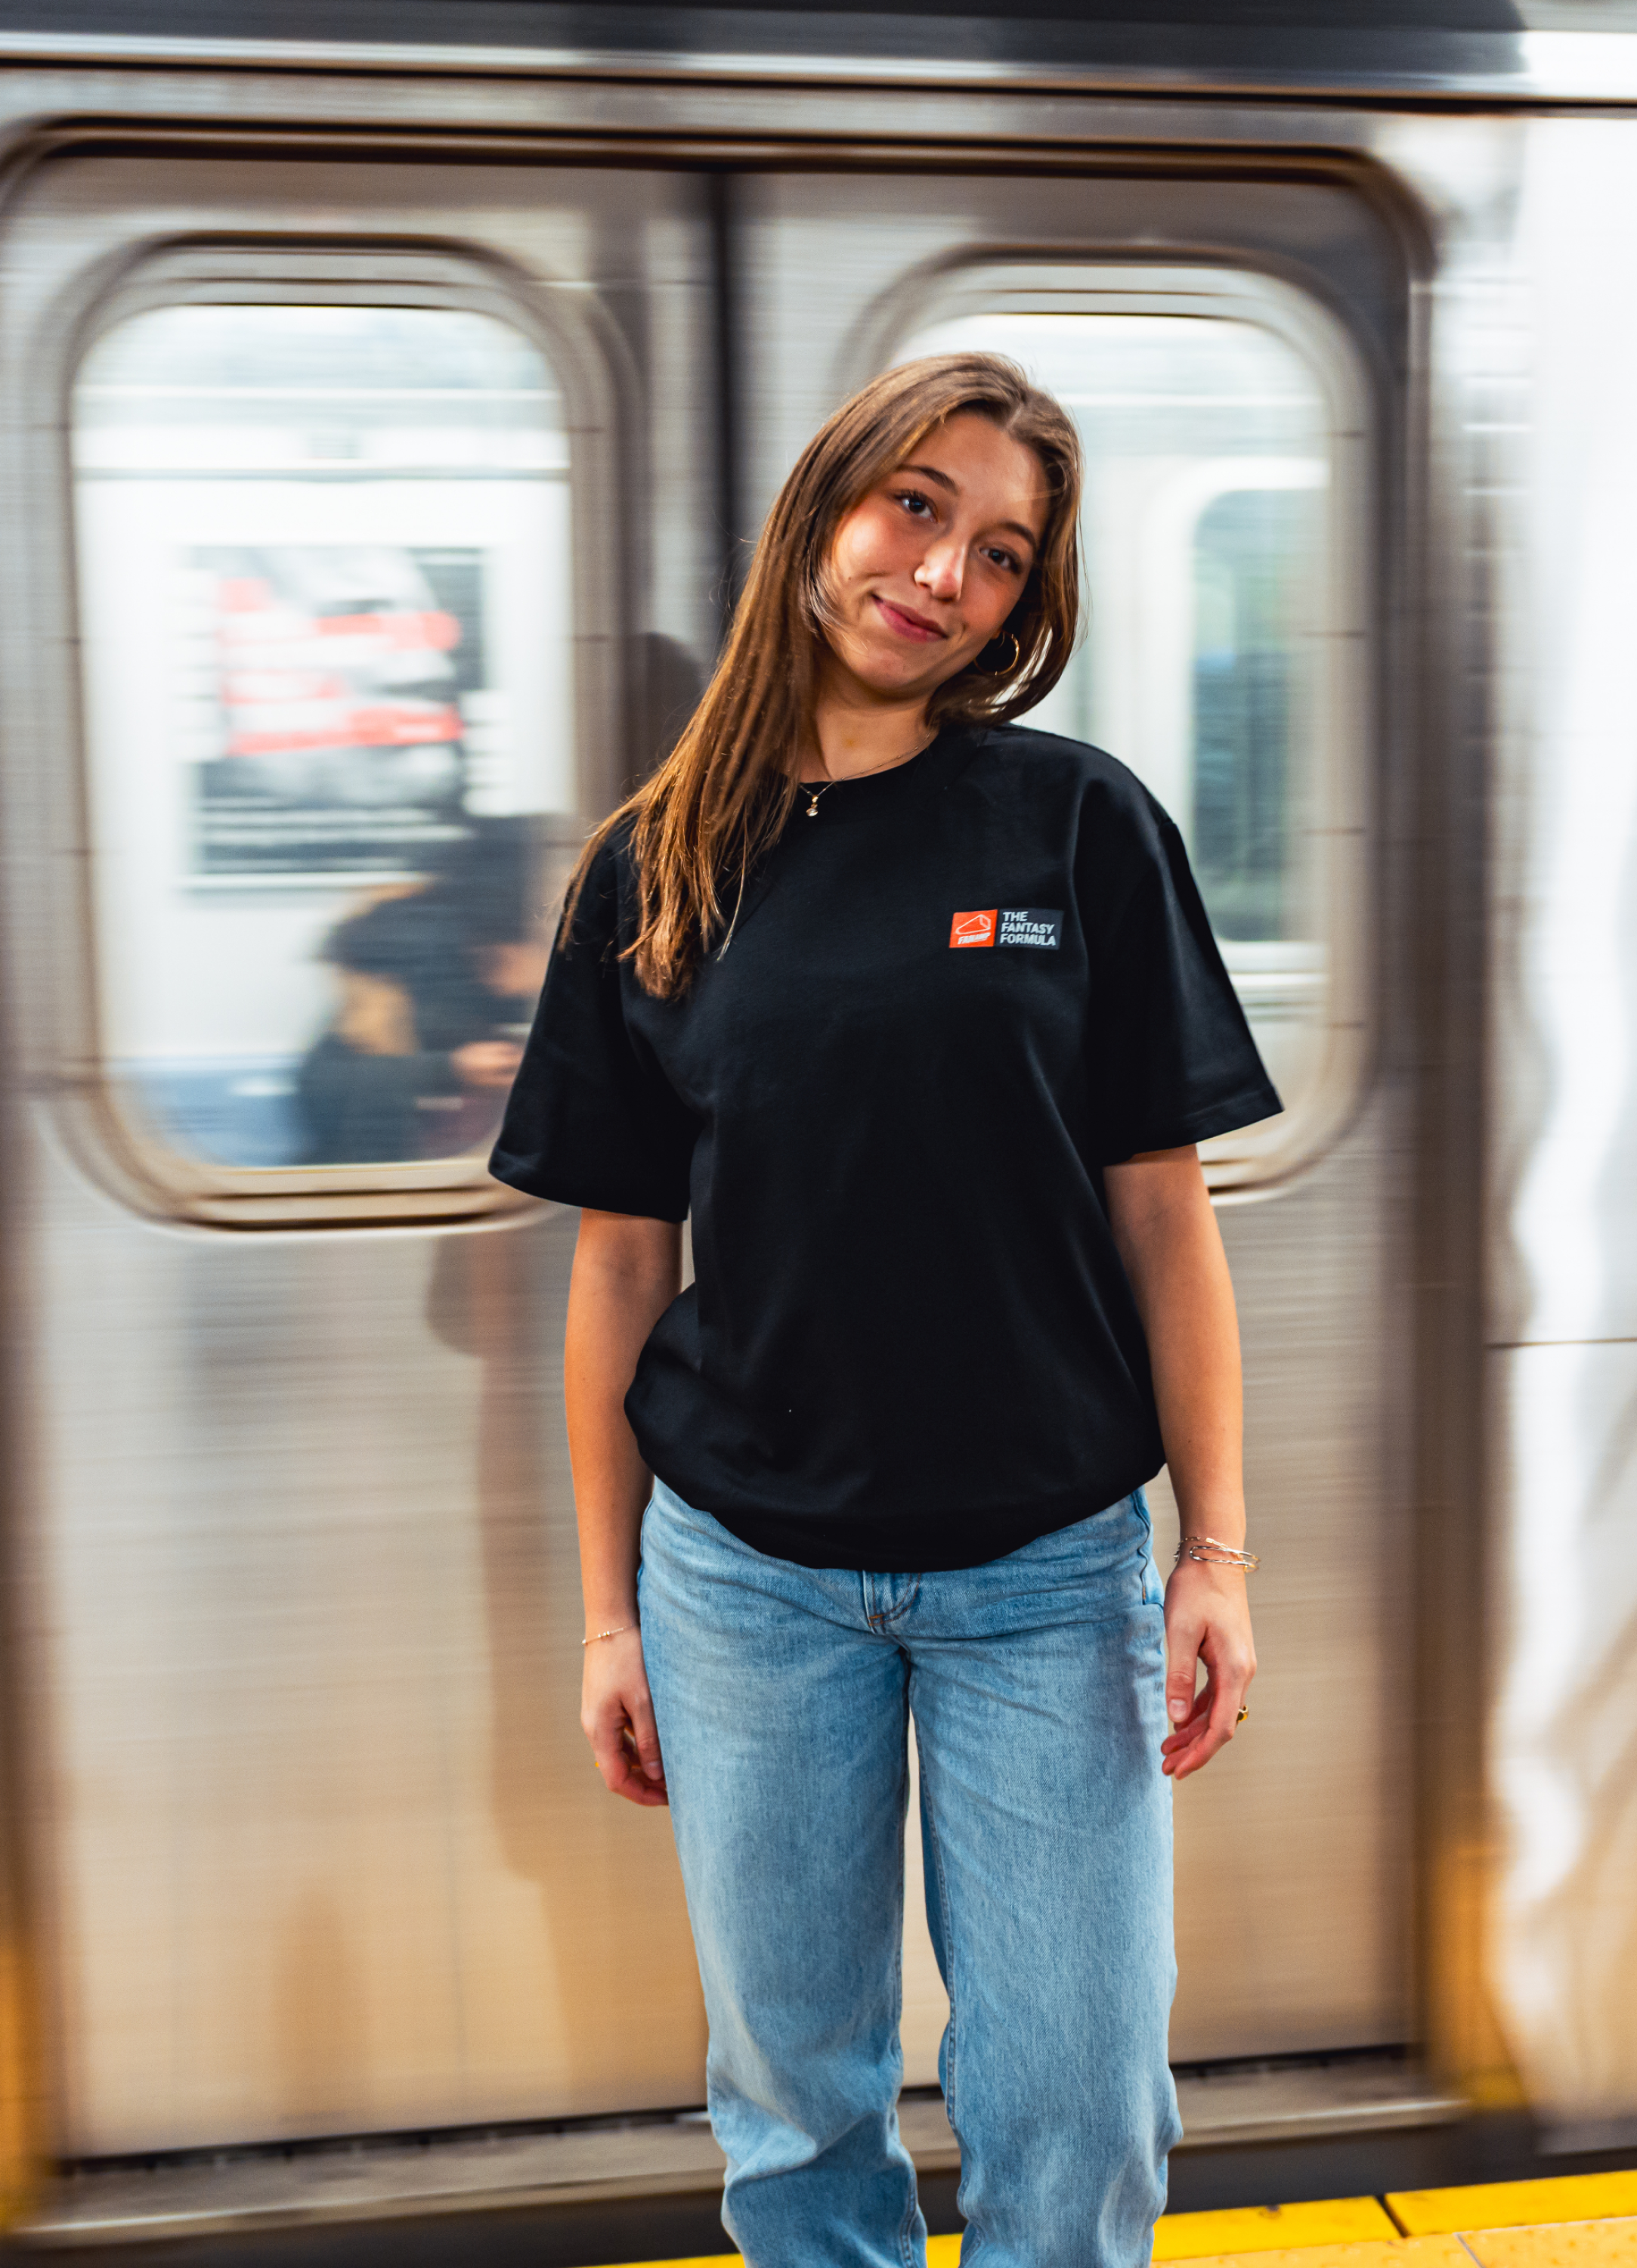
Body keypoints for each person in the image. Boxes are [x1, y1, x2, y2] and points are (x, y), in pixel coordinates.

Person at [489, 353, 1279, 2268]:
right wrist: (609, 1606)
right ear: (824, 507)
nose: (942, 574)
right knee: (794, 2096)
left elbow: (1166, 1220)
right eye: (913, 506)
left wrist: (1217, 1549)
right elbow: (617, 1266)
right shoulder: (651, 867)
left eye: (1000, 554)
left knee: (1080, 2096)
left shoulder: (1074, 826)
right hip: (744, 1578)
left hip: (1041, 1562)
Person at [298, 816, 554, 1163]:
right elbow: (321, 1089)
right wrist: (453, 1068)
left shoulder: (506, 990)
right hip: (377, 1176)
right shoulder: (408, 976)